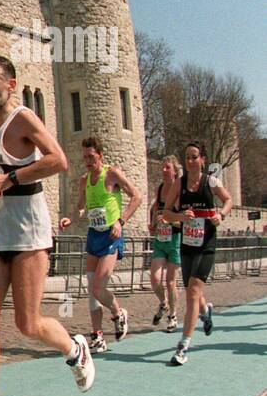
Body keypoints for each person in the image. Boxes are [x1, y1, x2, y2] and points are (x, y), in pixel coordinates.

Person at [0, 56, 94, 396]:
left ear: (12, 84)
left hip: (29, 232)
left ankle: (74, 348)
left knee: (28, 323)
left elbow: (59, 160)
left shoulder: (24, 119)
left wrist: (12, 179)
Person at [58, 137, 141, 352]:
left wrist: (120, 222)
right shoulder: (84, 180)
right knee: (91, 290)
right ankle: (97, 336)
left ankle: (118, 313)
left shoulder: (111, 174)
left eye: (91, 157)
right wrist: (71, 218)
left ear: (100, 156)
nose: (87, 161)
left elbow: (137, 197)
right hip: (94, 234)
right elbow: (81, 208)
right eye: (84, 157)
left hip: (111, 236)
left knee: (98, 287)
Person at [162, 141, 231, 366]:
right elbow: (166, 213)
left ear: (202, 160)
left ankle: (183, 345)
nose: (190, 161)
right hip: (188, 244)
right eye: (187, 158)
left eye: (194, 157)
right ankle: (206, 311)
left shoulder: (211, 182)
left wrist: (221, 215)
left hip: (207, 244)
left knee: (192, 290)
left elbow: (228, 200)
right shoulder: (179, 184)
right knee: (193, 290)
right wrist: (181, 217)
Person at [148, 155, 182, 333]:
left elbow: (184, 220)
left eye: (167, 167)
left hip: (175, 240)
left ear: (175, 171)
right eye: (162, 167)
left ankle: (173, 315)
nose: (163, 170)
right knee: (154, 280)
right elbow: (155, 207)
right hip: (160, 240)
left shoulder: (180, 191)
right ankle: (164, 304)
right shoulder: (160, 188)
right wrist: (153, 223)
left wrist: (169, 221)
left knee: (170, 283)